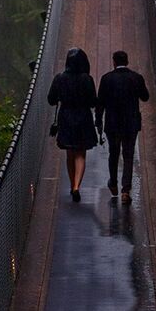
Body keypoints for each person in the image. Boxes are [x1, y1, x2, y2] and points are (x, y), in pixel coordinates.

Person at [95, 50, 149, 204]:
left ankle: (113, 183)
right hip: (131, 123)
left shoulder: (106, 79)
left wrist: (98, 121)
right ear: (127, 61)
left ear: (114, 62)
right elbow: (145, 97)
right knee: (128, 155)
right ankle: (126, 190)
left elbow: (100, 103)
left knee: (114, 153)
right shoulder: (136, 78)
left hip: (112, 123)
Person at [48, 46, 98, 202]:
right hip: (83, 116)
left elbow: (51, 100)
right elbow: (93, 102)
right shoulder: (86, 79)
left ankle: (72, 185)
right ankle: (77, 186)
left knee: (69, 152)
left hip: (66, 116)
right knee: (81, 152)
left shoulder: (59, 78)